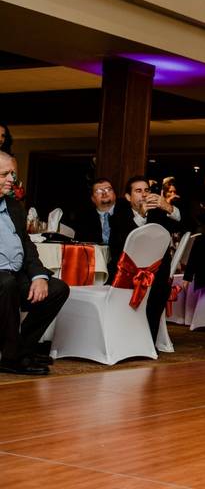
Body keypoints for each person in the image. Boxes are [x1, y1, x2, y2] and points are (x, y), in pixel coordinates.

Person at [0, 152, 70, 375]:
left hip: (14, 275)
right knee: (6, 283)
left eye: (13, 173)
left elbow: (27, 246)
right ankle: (11, 357)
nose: (12, 179)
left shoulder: (13, 206)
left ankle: (21, 349)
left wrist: (39, 277)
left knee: (58, 289)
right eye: (4, 174)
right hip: (3, 279)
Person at [109, 175, 182, 342]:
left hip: (155, 273)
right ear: (128, 197)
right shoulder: (119, 215)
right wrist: (140, 217)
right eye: (138, 191)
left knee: (159, 286)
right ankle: (124, 338)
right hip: (126, 272)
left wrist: (169, 208)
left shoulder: (158, 214)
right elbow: (120, 245)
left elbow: (185, 226)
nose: (144, 194)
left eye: (146, 190)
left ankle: (147, 340)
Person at [71, 178, 116, 245]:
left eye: (108, 189)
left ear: (115, 194)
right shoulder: (83, 219)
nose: (104, 193)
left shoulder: (128, 212)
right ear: (93, 199)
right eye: (98, 191)